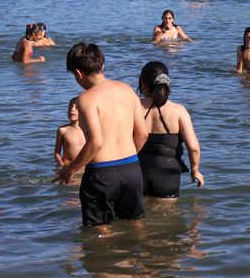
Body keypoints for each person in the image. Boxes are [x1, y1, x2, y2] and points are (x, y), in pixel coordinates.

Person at [58, 43, 149, 227]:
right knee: (135, 224)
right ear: (102, 66)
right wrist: (126, 160)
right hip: (131, 168)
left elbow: (96, 142)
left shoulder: (85, 99)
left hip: (102, 174)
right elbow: (142, 134)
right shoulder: (127, 90)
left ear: (78, 74)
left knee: (99, 231)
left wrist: (70, 169)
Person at [138, 61, 204, 197]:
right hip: (167, 177)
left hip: (136, 173)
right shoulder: (178, 111)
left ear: (143, 85)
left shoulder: (133, 107)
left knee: (139, 210)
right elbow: (194, 148)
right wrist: (195, 170)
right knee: (167, 211)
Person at [54, 98, 86, 167]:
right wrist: (62, 166)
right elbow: (56, 153)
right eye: (70, 108)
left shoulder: (87, 130)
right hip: (67, 167)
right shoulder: (62, 130)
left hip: (84, 167)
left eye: (76, 108)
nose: (72, 109)